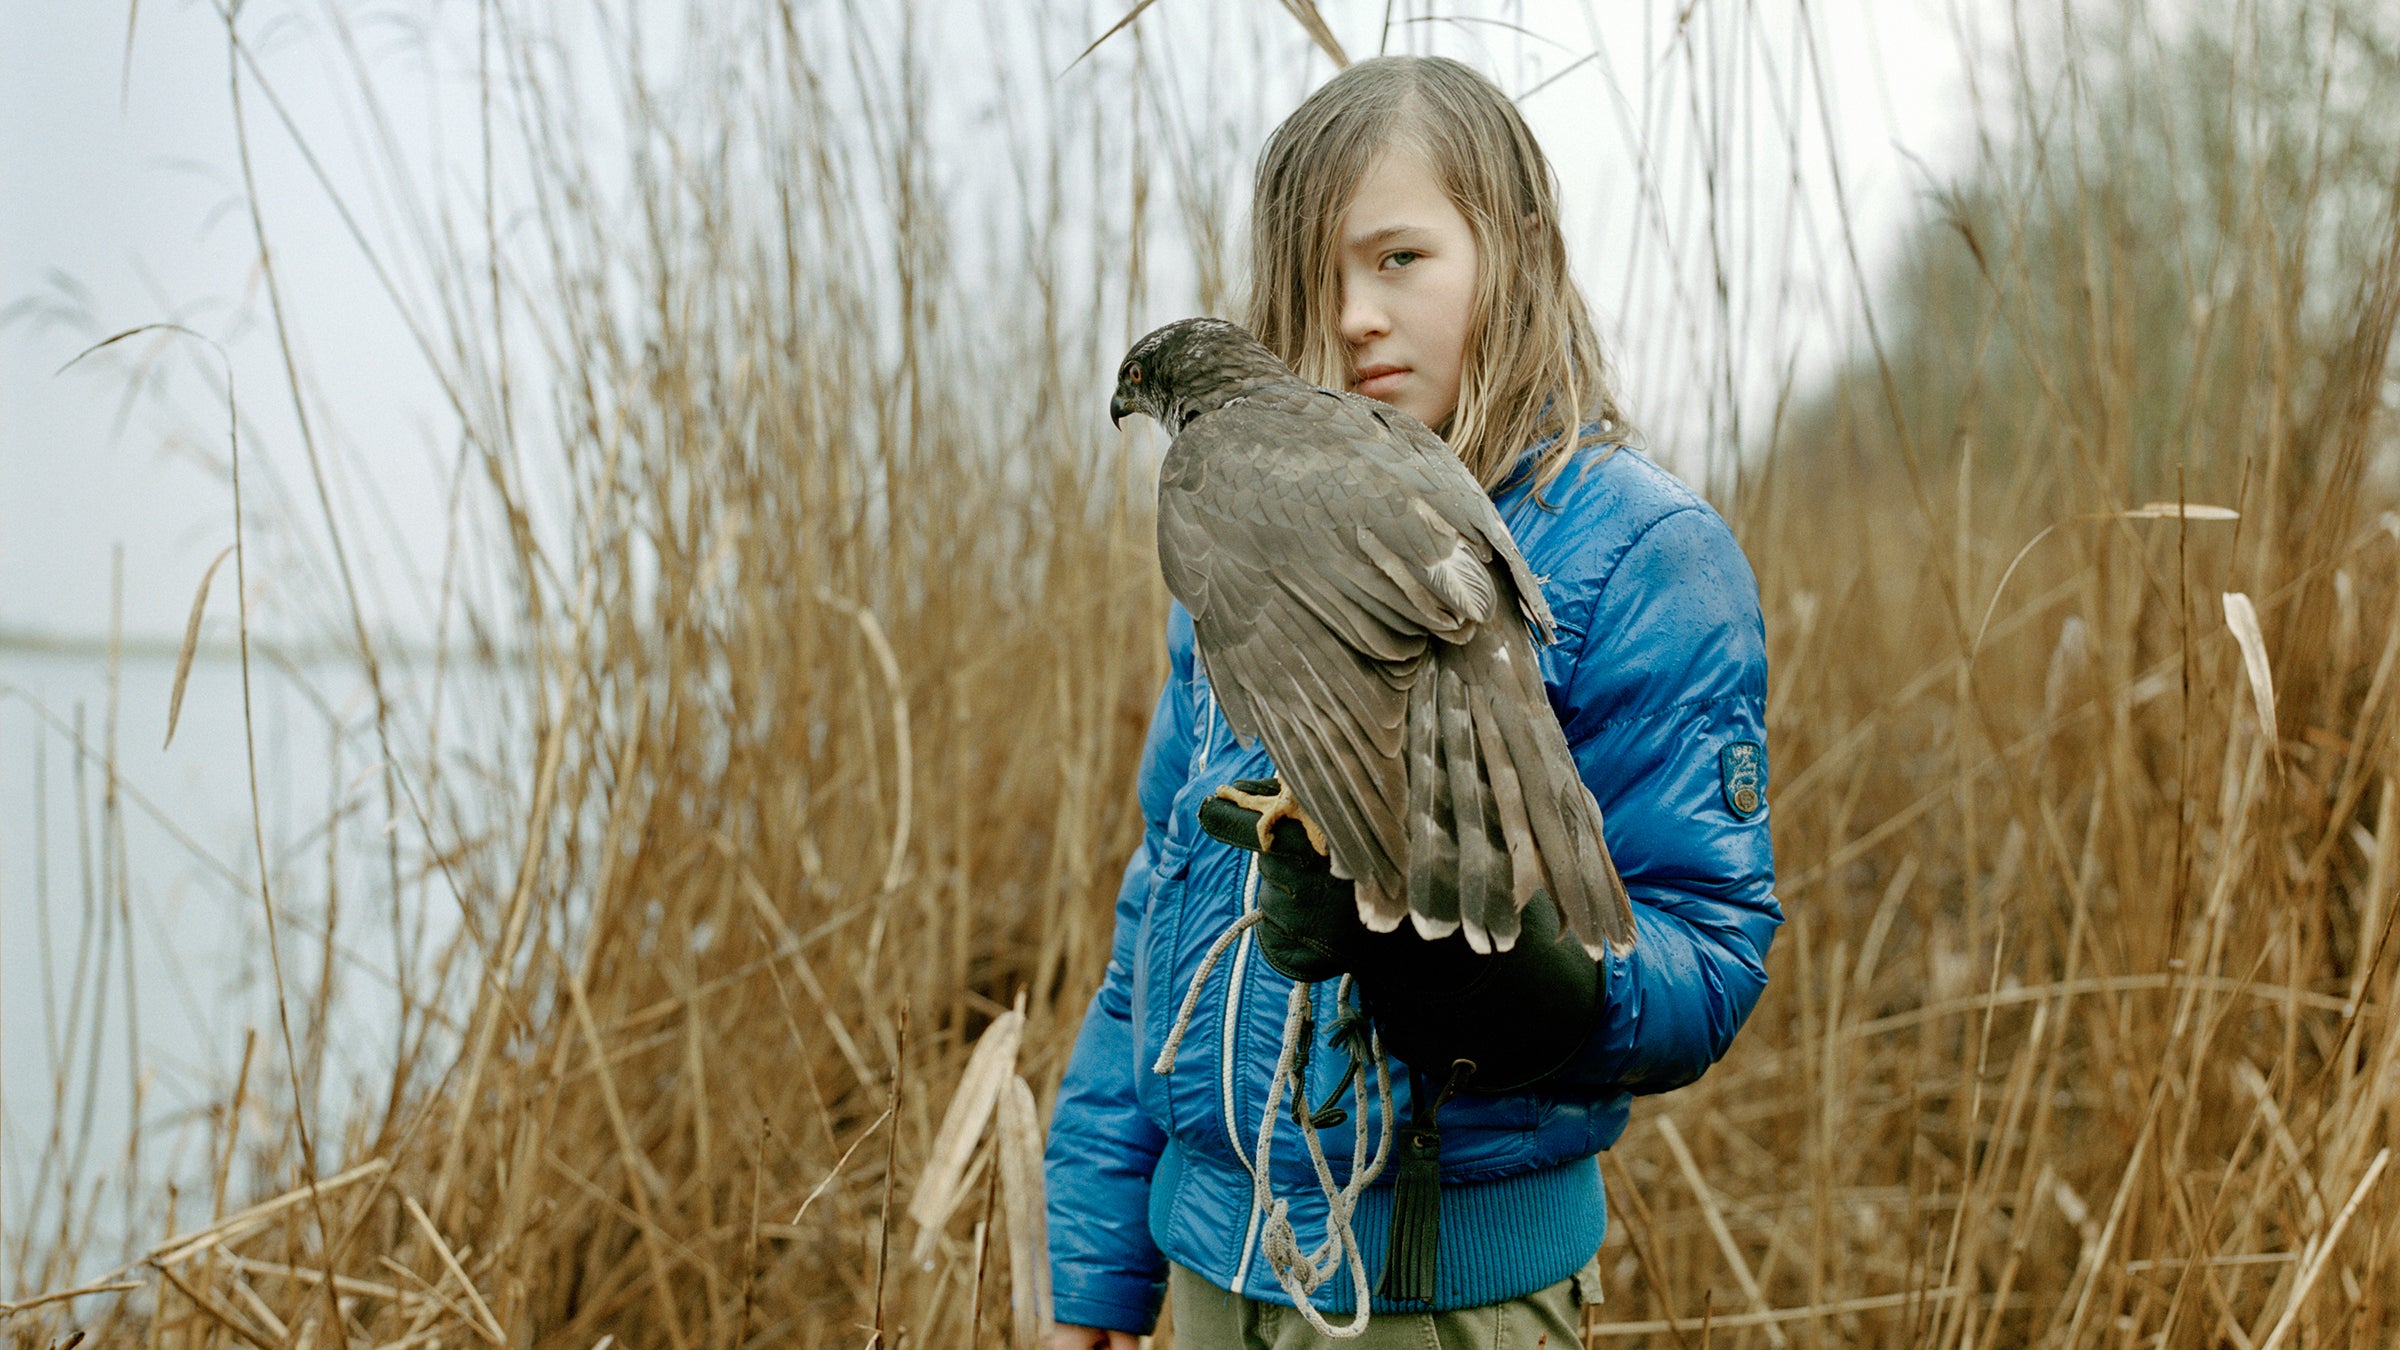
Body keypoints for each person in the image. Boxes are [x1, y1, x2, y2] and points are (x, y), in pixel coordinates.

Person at [1044, 54, 1780, 1348]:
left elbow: (1709, 955)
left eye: (1398, 260)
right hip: (1213, 1259)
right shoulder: (1247, 516)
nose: (1357, 315)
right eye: (1320, 277)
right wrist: (1101, 1244)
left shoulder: (1642, 550)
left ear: (1518, 251)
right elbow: (1157, 897)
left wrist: (1531, 989)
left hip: (1443, 1287)